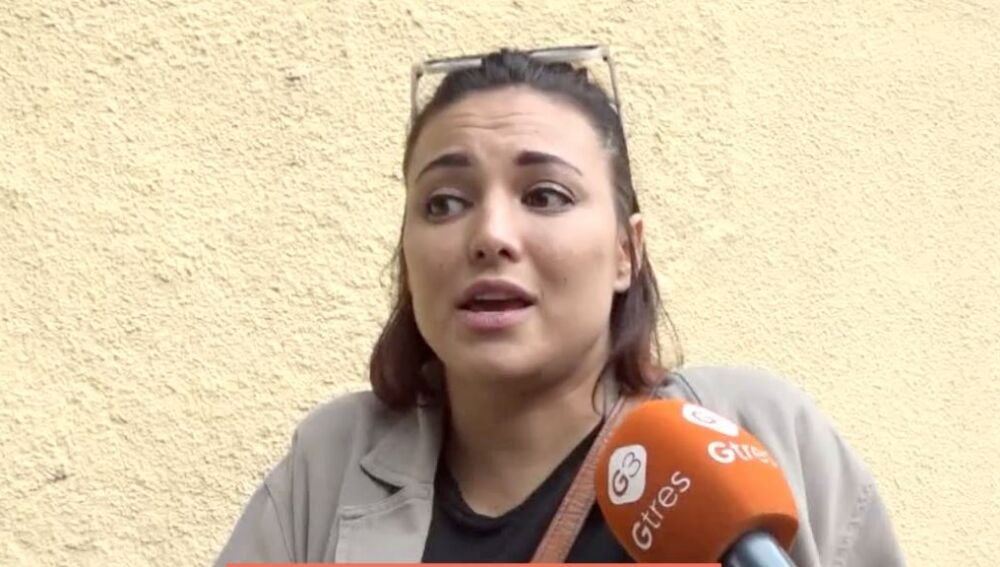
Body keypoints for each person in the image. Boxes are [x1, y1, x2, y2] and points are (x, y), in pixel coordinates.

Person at [214, 48, 905, 566]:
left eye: (545, 195)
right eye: (444, 203)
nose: (490, 236)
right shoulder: (328, 467)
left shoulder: (761, 432)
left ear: (626, 251)